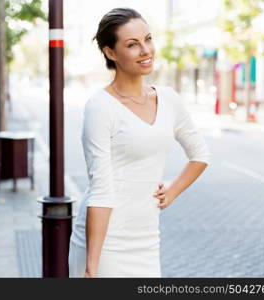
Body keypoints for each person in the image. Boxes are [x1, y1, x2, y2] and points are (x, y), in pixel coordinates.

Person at [68, 7, 212, 278]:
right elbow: (100, 190)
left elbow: (200, 155)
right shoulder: (100, 107)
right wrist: (90, 268)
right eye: (132, 45)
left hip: (146, 240)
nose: (146, 50)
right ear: (110, 53)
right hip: (106, 244)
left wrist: (171, 192)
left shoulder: (169, 99)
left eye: (148, 39)